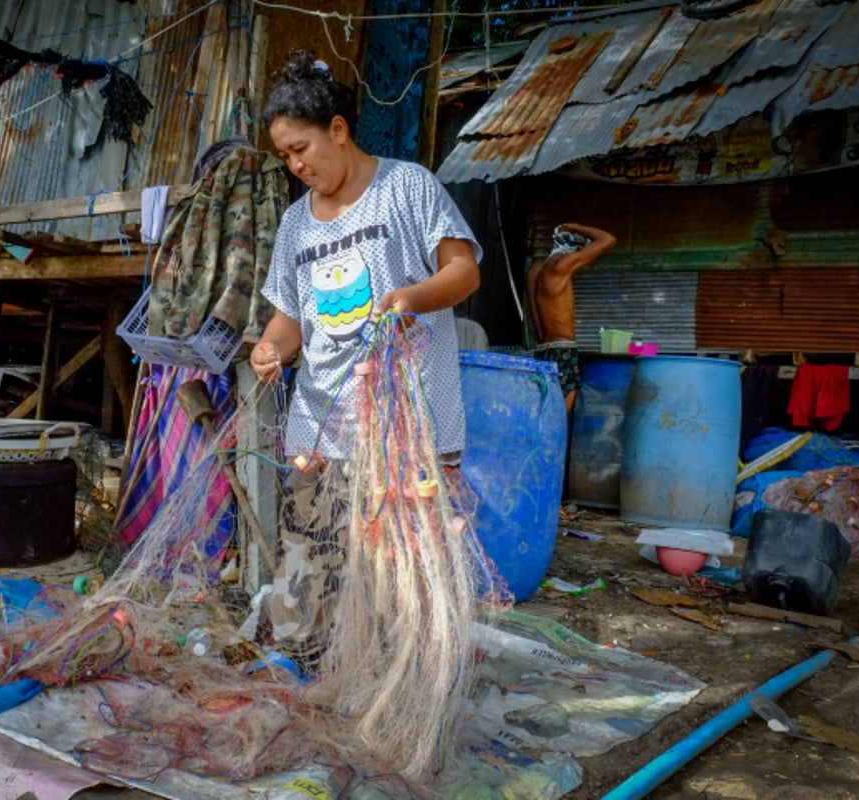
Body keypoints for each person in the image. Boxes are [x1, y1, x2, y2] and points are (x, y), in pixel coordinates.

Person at [248, 51, 482, 664]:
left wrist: (410, 297)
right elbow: (292, 317)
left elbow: (463, 272)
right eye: (285, 157)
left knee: (402, 572)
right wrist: (271, 347)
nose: (296, 165)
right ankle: (303, 667)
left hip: (409, 426)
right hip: (321, 424)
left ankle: (399, 680)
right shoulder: (296, 225)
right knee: (308, 559)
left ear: (339, 129)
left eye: (301, 148)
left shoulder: (406, 186)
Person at [525, 222, 616, 414]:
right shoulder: (561, 266)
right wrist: (574, 226)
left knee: (542, 412)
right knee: (560, 418)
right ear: (573, 250)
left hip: (542, 350)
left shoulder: (535, 271)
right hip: (562, 351)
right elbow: (608, 240)